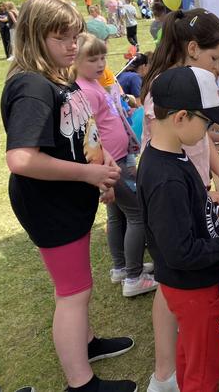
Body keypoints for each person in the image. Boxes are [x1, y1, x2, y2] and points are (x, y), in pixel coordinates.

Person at [0, 0, 136, 391]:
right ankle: (81, 384)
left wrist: (104, 167)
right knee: (73, 293)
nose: (73, 45)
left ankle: (87, 343)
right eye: (62, 38)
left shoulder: (60, 76)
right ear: (34, 36)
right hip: (48, 205)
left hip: (68, 197)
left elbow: (82, 131)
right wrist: (87, 174)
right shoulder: (30, 85)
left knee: (80, 285)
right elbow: (21, 159)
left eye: (76, 35)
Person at [140, 8, 219, 392]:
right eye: (206, 123)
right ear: (181, 117)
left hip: (199, 289)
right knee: (204, 375)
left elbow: (193, 209)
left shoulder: (175, 155)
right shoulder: (165, 178)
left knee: (193, 358)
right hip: (196, 290)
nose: (209, 131)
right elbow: (180, 252)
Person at [75, 33, 158, 298]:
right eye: (93, 59)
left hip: (118, 158)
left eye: (103, 57)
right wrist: (106, 176)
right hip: (112, 163)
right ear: (75, 60)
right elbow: (91, 135)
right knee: (137, 215)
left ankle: (122, 267)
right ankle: (133, 277)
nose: (100, 63)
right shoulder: (85, 90)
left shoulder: (93, 82)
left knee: (118, 215)